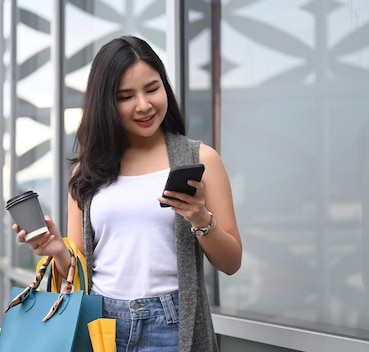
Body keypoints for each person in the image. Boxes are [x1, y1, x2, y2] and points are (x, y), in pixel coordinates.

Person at [14, 35, 242, 352]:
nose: (144, 105)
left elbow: (231, 262)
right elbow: (77, 270)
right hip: (101, 324)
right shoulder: (86, 172)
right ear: (105, 103)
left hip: (171, 325)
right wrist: (56, 249)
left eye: (152, 88)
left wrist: (200, 218)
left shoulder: (201, 159)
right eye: (126, 96)